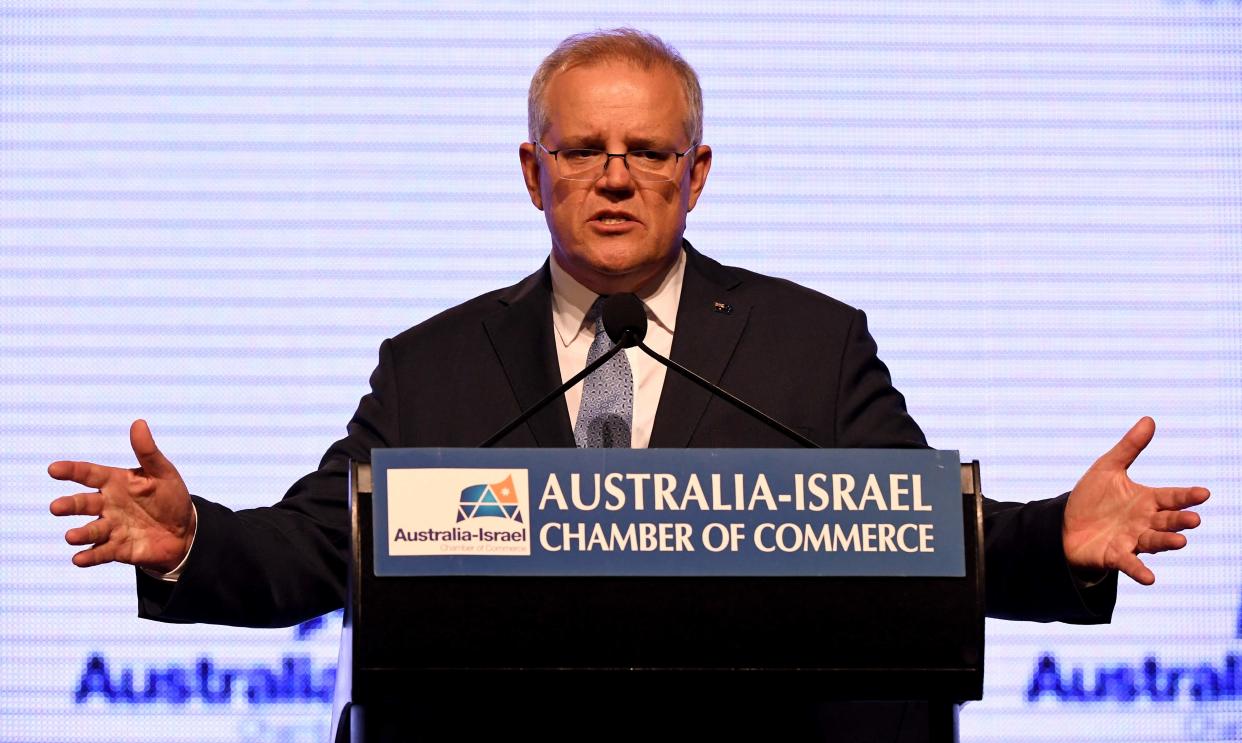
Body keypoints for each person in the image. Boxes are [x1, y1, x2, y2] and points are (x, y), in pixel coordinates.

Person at [48, 19, 1207, 697]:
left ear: (696, 174)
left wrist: (1052, 532)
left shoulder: (813, 344)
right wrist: (195, 536)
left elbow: (910, 530)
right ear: (532, 170)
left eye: (648, 152)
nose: (614, 177)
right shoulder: (433, 363)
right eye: (584, 150)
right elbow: (320, 545)